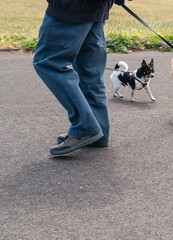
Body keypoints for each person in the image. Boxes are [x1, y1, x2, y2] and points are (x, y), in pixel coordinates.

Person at [33, 0, 126, 156]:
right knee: (89, 71)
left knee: (48, 62)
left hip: (70, 7)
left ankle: (86, 127)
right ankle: (97, 129)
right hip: (96, 8)